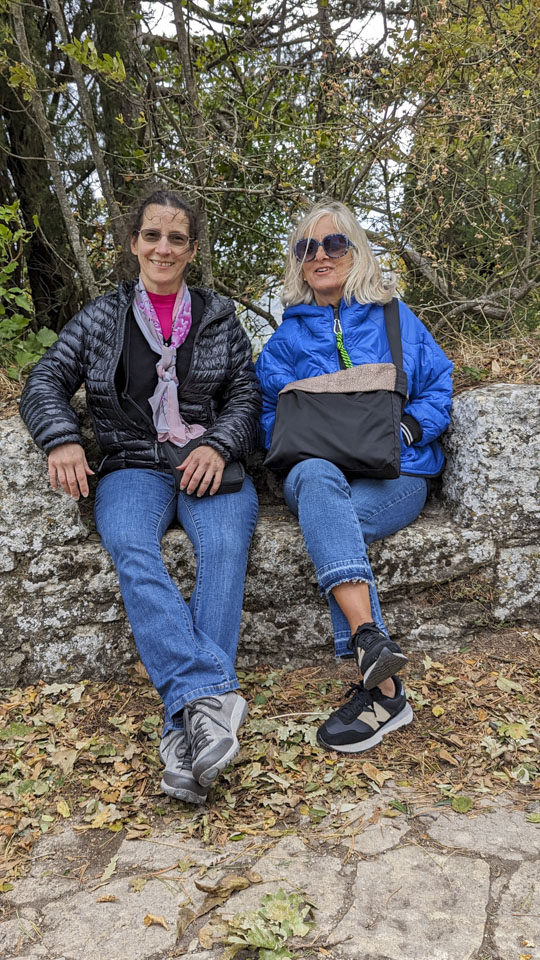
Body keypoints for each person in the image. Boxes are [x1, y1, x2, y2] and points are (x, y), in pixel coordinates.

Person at [20, 189, 261, 803]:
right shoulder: (102, 317)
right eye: (152, 235)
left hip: (209, 462)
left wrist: (219, 445)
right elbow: (45, 378)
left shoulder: (218, 316)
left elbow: (246, 394)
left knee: (225, 546)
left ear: (192, 250)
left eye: (176, 238)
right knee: (131, 543)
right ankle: (210, 702)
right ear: (134, 244)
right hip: (130, 463)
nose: (163, 248)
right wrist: (61, 438)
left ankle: (184, 731)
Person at [256, 199, 452, 754]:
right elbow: (267, 413)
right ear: (298, 262)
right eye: (307, 247)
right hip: (316, 475)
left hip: (397, 474)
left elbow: (439, 384)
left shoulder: (395, 318)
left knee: (332, 528)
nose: (320, 256)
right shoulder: (286, 341)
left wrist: (407, 430)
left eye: (334, 243)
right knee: (318, 480)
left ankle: (377, 674)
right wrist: (303, 440)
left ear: (356, 250)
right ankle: (379, 672)